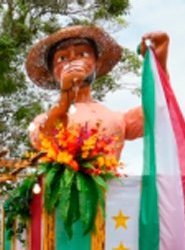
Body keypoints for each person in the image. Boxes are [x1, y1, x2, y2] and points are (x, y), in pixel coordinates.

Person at [26, 25, 169, 160]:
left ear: (97, 64)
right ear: (52, 73)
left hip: (109, 186)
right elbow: (46, 138)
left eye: (82, 54)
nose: (72, 60)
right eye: (62, 58)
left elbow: (158, 109)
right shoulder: (42, 121)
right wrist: (67, 93)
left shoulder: (117, 119)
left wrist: (159, 63)